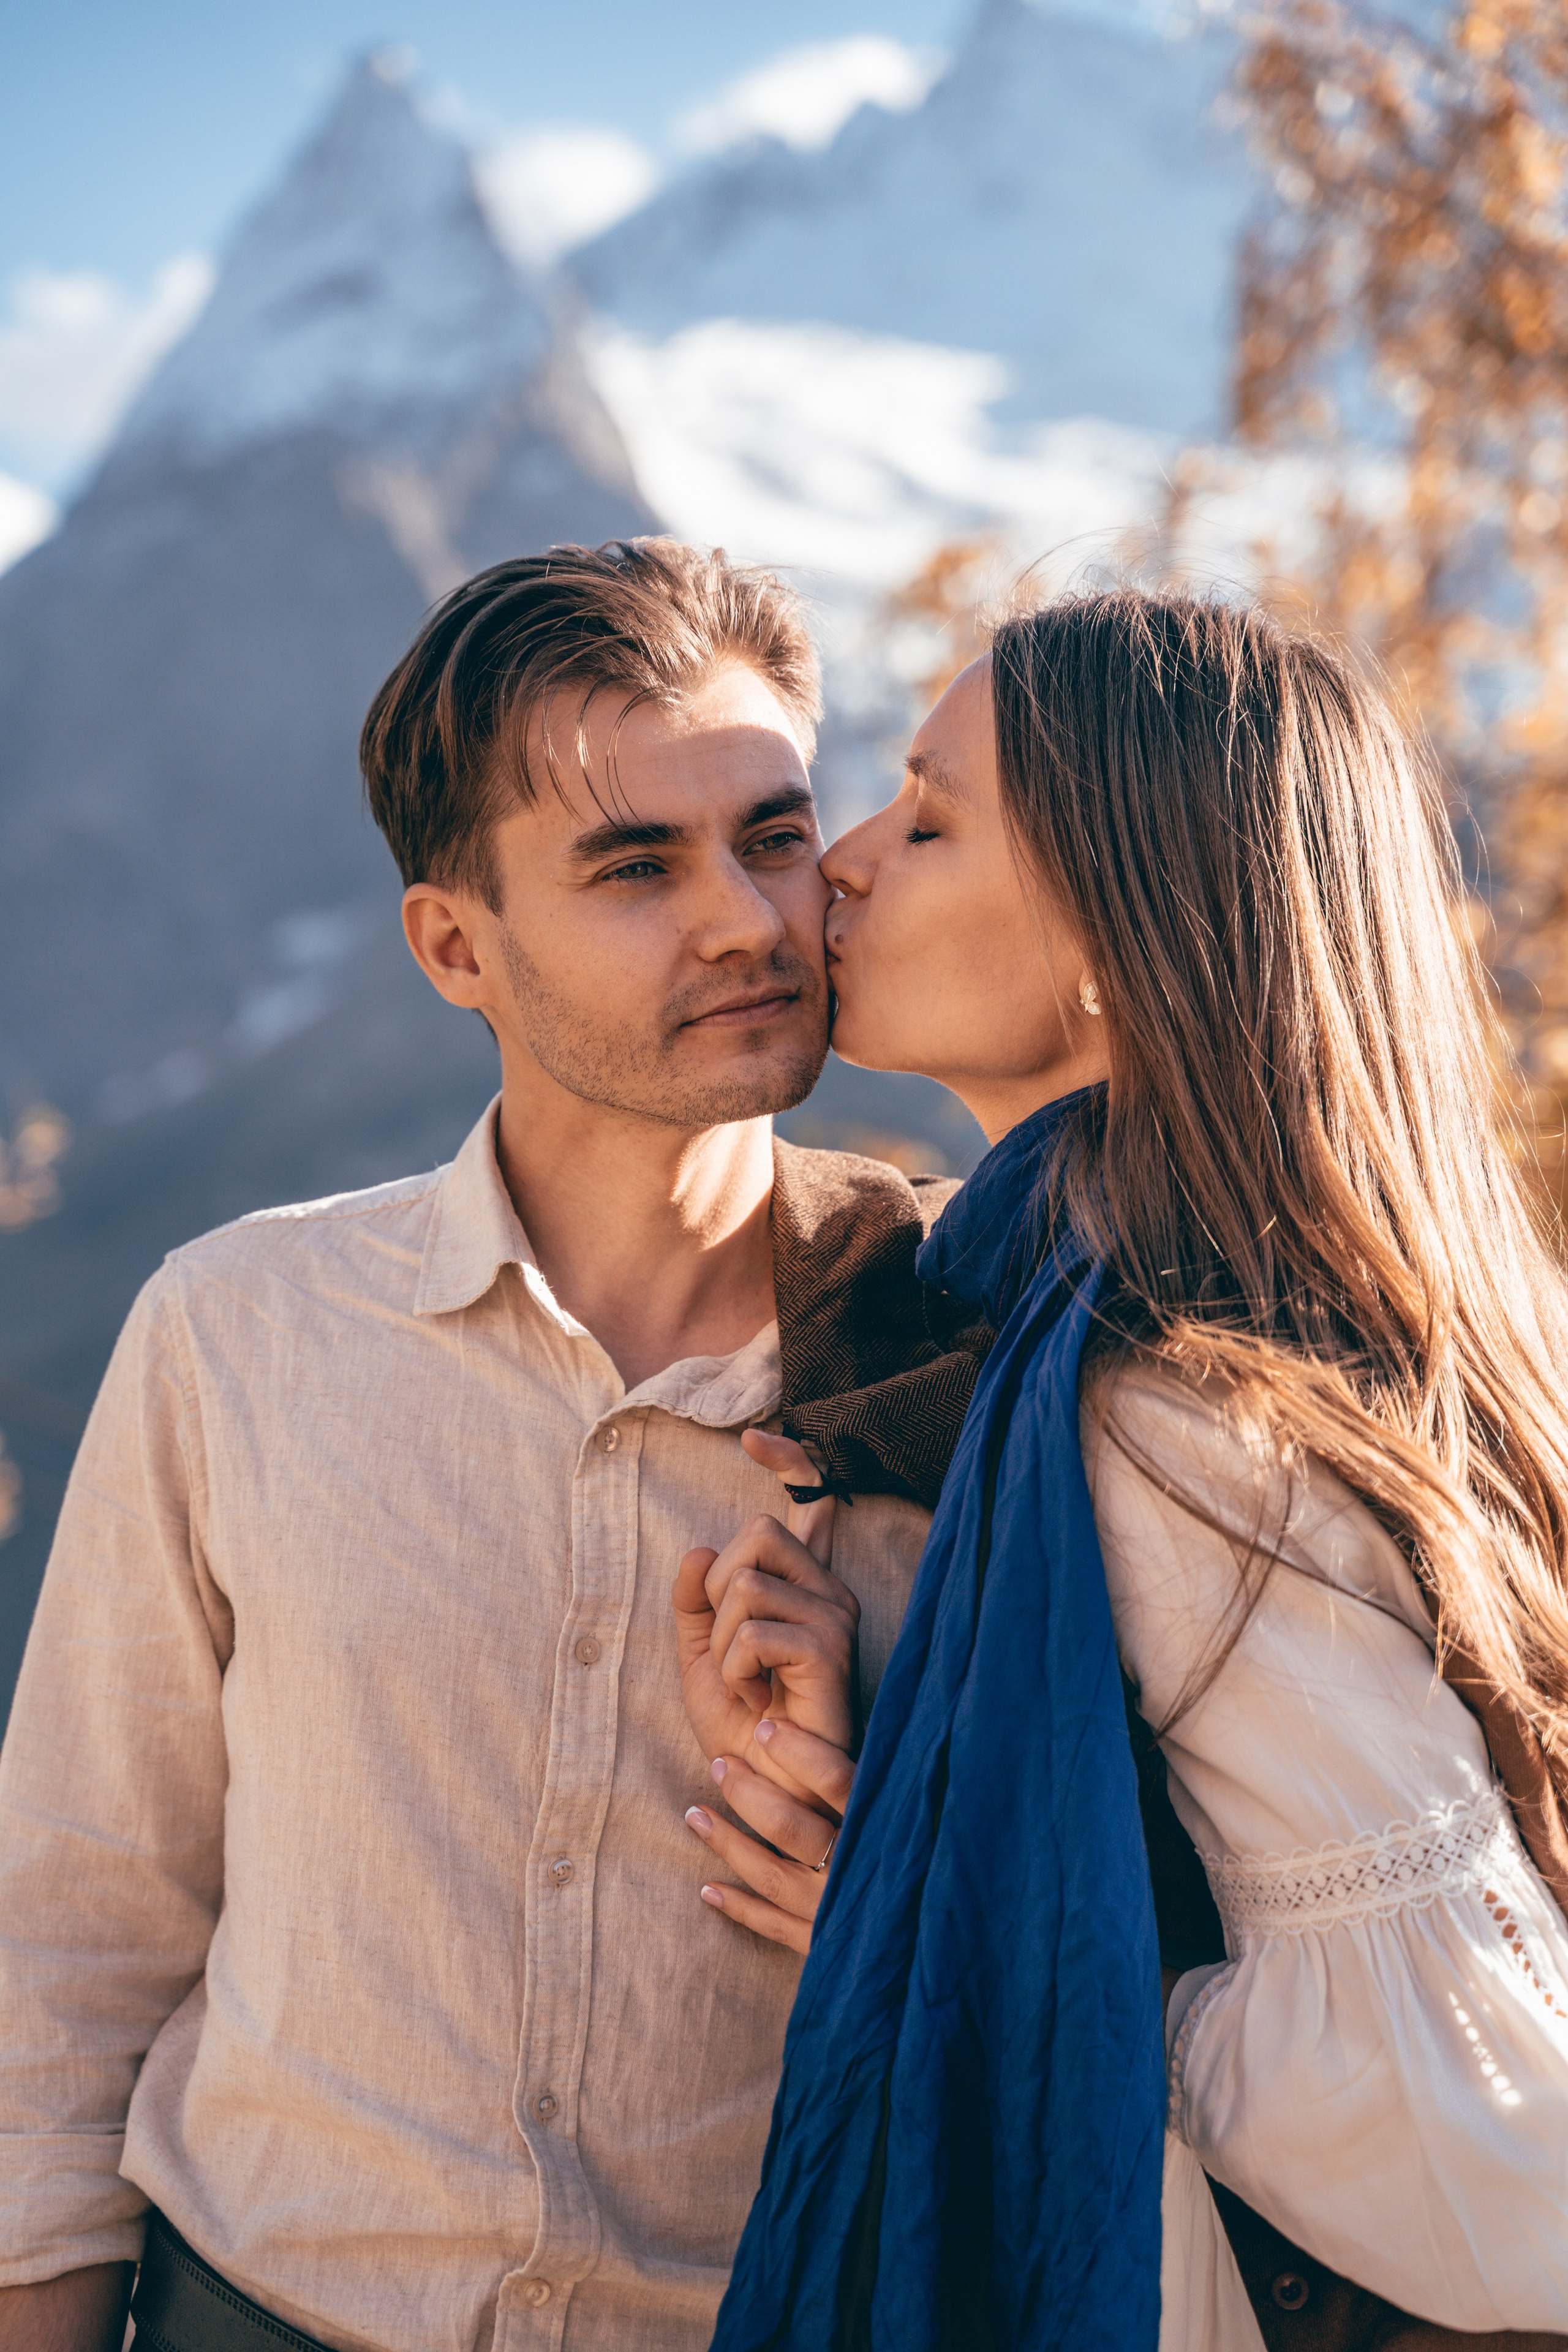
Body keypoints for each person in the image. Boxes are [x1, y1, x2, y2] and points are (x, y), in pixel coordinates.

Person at [0, 540, 972, 2352]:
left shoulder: (978, 1348)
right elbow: (72, 1935)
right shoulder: (237, 1333)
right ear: (457, 946)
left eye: (772, 835)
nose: (748, 921)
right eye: (636, 866)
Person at [676, 592, 1568, 2350]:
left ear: (1118, 935)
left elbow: (1460, 2113)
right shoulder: (1310, 1324)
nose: (842, 862)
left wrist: (953, 1949)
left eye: (932, 821)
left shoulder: (1177, 1420)